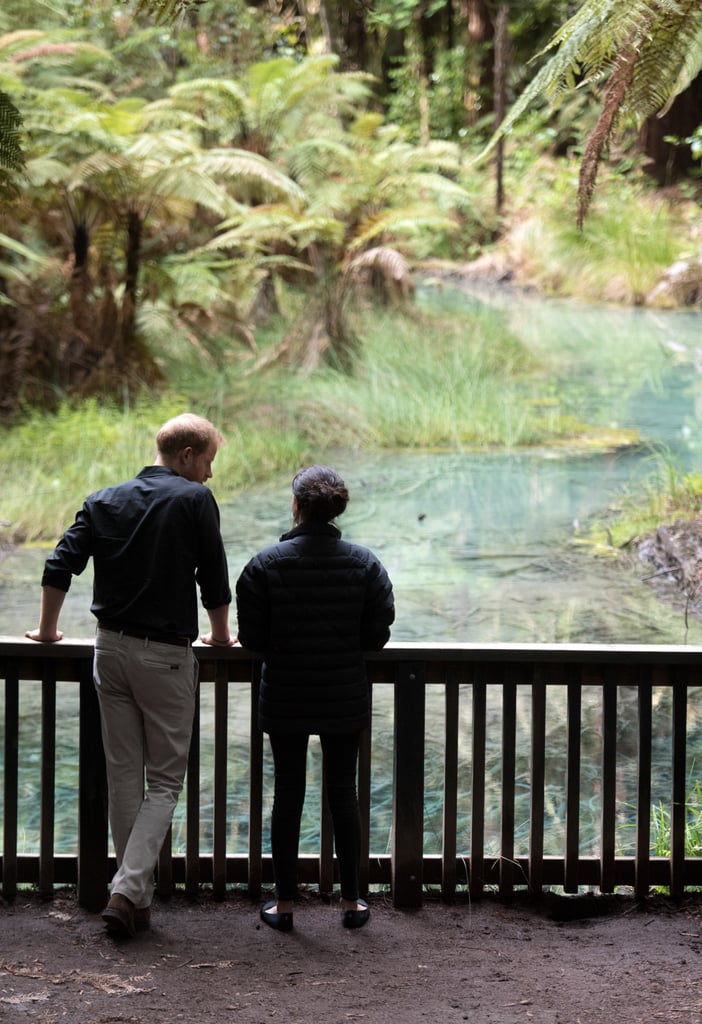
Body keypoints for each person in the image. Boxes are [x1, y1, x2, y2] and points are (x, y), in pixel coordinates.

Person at [25, 412, 234, 938]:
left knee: (124, 776)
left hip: (109, 651)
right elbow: (213, 575)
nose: (210, 474)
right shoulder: (194, 500)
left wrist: (49, 632)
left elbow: (58, 565)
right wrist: (222, 635)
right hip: (165, 656)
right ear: (186, 455)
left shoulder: (103, 500)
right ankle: (126, 889)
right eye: (208, 461)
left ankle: (135, 900)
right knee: (164, 781)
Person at [235, 464, 394, 931]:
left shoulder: (264, 565)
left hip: (284, 691)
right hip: (343, 692)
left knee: (287, 794)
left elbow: (253, 639)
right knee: (344, 793)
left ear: (297, 506)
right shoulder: (365, 564)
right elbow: (378, 634)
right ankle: (352, 903)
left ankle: (284, 906)